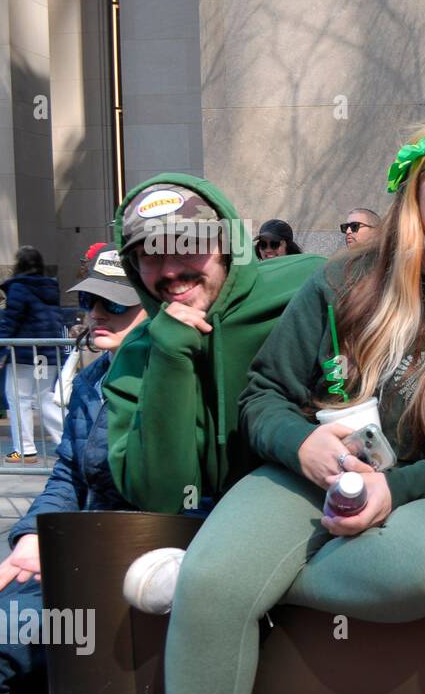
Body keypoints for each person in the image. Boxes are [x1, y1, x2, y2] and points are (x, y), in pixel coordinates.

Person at [154, 116, 425, 694]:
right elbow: (261, 396)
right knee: (210, 580)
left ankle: (241, 590)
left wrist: (395, 490)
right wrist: (305, 443)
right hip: (311, 472)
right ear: (412, 183)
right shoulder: (341, 279)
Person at [0, 245, 145, 694]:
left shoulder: (175, 385)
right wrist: (33, 534)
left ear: (154, 308)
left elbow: (171, 504)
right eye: (90, 303)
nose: (97, 314)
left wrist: (67, 554)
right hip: (77, 564)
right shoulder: (90, 378)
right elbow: (66, 475)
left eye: (115, 305)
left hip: (127, 582)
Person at [103, 175, 325, 516]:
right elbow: (162, 497)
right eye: (149, 255)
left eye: (188, 245)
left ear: (226, 243)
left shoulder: (305, 287)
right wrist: (168, 357)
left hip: (328, 510)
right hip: (207, 533)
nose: (172, 270)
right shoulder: (137, 352)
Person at [0, 246, 65, 464]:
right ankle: (69, 439)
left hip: (24, 355)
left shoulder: (19, 288)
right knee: (44, 398)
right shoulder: (51, 288)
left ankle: (24, 449)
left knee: (18, 398)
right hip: (46, 352)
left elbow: (10, 321)